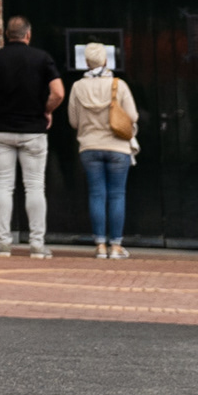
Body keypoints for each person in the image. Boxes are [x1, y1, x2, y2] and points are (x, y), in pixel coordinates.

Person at [0, 13, 65, 256]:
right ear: (28, 35)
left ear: (7, 35)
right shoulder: (42, 58)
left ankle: (3, 243)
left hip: (1, 129)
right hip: (33, 131)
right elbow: (58, 93)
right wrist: (46, 110)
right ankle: (37, 244)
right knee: (34, 186)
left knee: (4, 185)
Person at [69, 41, 140, 258]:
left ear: (86, 62)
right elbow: (133, 116)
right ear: (106, 61)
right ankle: (116, 246)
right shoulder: (119, 85)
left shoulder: (77, 87)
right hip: (117, 147)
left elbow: (73, 121)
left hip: (90, 146)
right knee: (117, 194)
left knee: (96, 194)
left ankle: (100, 245)